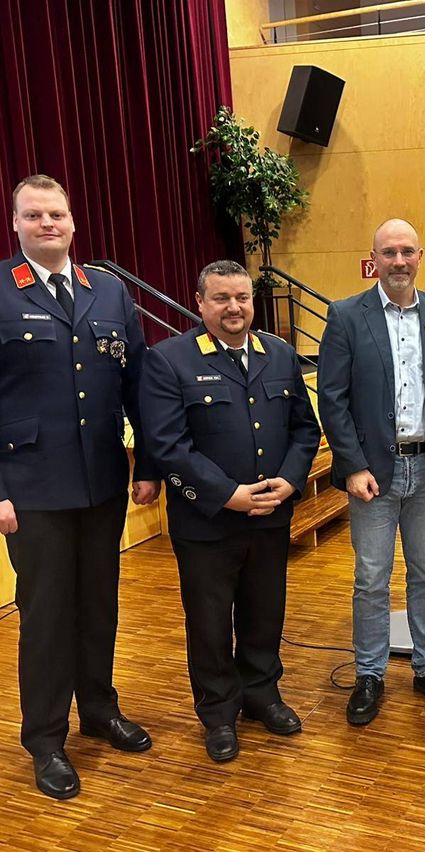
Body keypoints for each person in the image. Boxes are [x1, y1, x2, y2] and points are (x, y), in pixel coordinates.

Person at [0, 174, 160, 799]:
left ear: (73, 221)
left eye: (58, 214)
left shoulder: (109, 292)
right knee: (45, 616)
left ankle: (98, 709)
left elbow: (137, 385)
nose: (48, 224)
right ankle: (44, 738)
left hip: (100, 484)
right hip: (31, 488)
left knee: (98, 605)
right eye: (34, 215)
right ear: (15, 223)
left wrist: (146, 464)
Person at [140, 260, 319, 762]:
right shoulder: (169, 360)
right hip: (208, 523)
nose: (234, 307)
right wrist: (228, 495)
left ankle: (262, 694)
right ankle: (219, 712)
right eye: (221, 298)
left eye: (242, 297)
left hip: (271, 515)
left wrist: (291, 478)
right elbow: (168, 446)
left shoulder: (280, 355)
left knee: (265, 614)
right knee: (211, 623)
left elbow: (305, 428)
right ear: (200, 303)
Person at [317, 218, 425, 725]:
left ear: (421, 256)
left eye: (407, 251)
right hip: (372, 476)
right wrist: (352, 465)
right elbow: (332, 400)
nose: (398, 261)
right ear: (374, 259)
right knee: (371, 578)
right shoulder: (344, 316)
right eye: (389, 252)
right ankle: (370, 674)